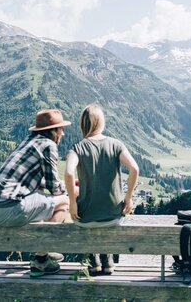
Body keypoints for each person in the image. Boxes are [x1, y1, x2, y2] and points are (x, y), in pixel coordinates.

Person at [0, 109, 71, 277]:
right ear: (53, 131)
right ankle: (41, 259)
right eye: (61, 129)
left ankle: (43, 250)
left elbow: (37, 182)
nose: (63, 134)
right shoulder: (48, 145)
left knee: (48, 201)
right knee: (64, 202)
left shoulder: (29, 142)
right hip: (10, 209)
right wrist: (70, 191)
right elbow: (55, 189)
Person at [65, 103, 139, 275]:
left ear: (83, 124)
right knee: (105, 218)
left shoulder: (77, 148)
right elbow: (135, 168)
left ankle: (94, 260)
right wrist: (128, 197)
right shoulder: (116, 144)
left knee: (86, 217)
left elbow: (69, 173)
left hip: (86, 218)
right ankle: (108, 259)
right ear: (101, 122)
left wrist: (72, 202)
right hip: (114, 216)